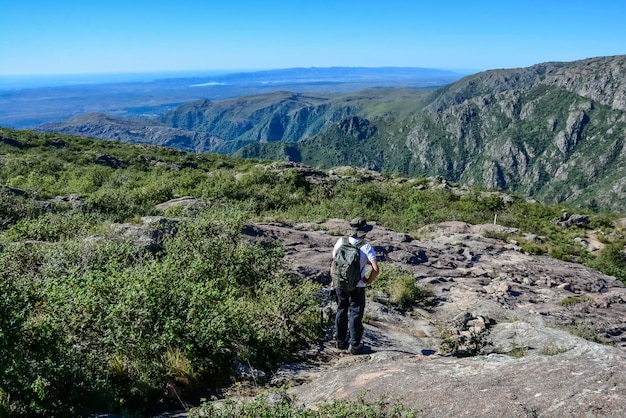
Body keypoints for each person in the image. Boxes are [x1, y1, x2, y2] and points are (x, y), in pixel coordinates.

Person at [330, 217, 379, 354]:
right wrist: (368, 281)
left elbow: (334, 264)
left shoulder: (341, 241)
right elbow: (375, 269)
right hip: (357, 286)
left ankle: (340, 342)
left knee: (341, 311)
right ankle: (355, 345)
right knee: (355, 314)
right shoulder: (366, 246)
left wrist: (334, 280)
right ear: (363, 232)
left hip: (340, 284)